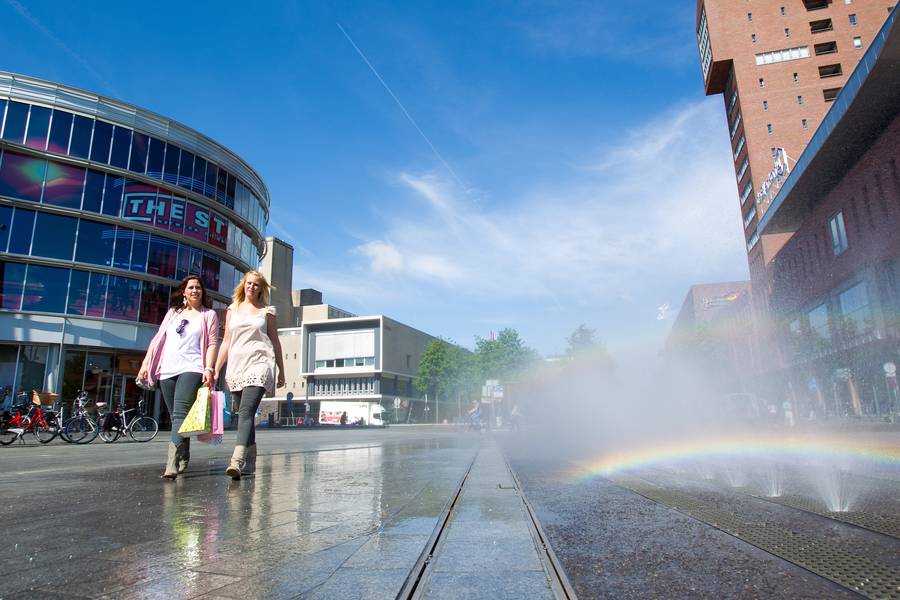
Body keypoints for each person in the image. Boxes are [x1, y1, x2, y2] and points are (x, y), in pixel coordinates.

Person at [138, 276, 219, 480]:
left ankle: (171, 463)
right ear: (183, 291)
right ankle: (184, 451)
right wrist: (146, 363)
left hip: (192, 367)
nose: (195, 291)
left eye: (198, 287)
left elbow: (212, 343)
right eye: (191, 287)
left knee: (180, 412)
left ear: (203, 292)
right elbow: (158, 339)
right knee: (177, 416)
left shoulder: (208, 315)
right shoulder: (173, 313)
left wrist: (208, 368)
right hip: (168, 369)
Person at [214, 271, 285, 480]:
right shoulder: (232, 309)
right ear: (243, 285)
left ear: (261, 289)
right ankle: (252, 461)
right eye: (249, 283)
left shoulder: (267, 312)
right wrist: (216, 368)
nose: (252, 287)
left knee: (246, 412)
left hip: (259, 364)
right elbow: (226, 341)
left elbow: (275, 341)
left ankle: (236, 460)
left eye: (256, 285)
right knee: (244, 414)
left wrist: (282, 369)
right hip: (236, 365)